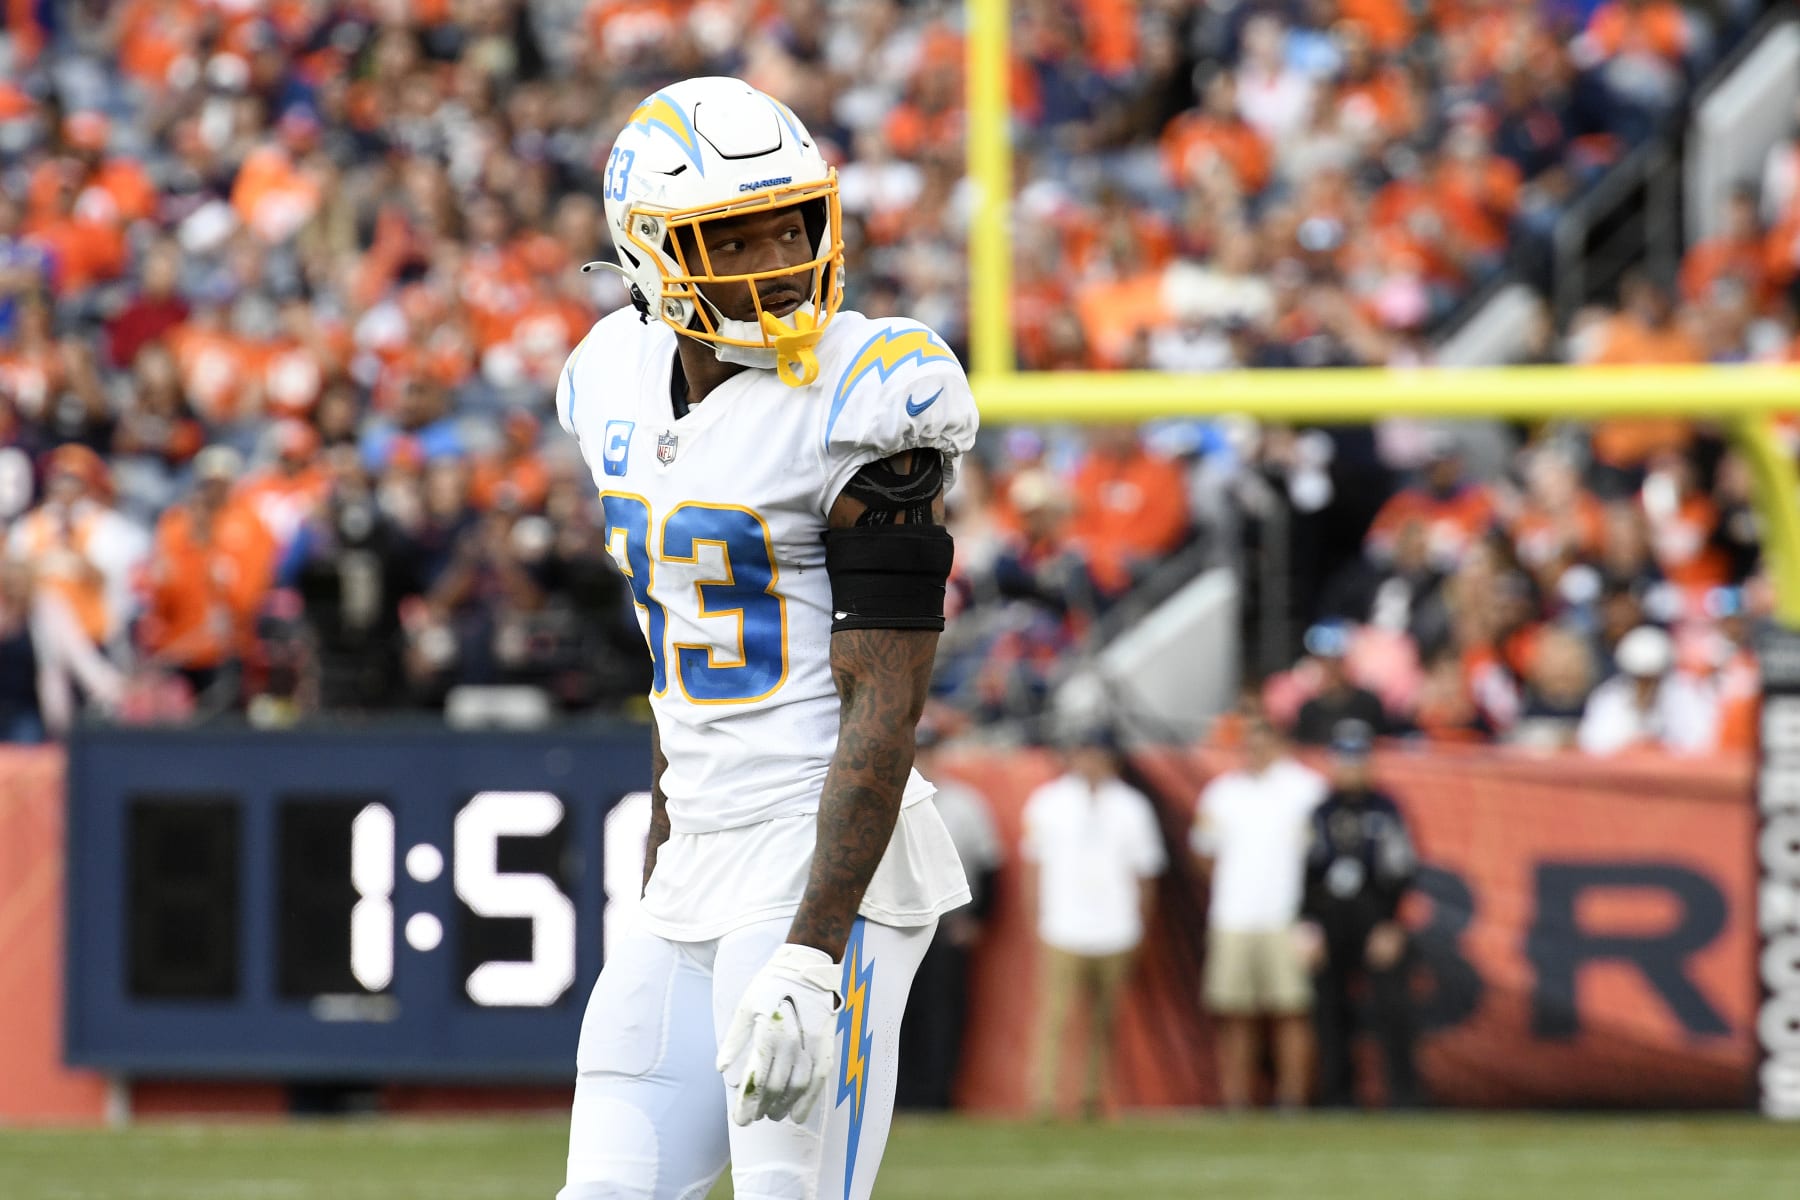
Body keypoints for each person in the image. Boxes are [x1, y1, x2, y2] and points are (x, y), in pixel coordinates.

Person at [554, 79, 978, 1200]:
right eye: (732, 235)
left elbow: (885, 697)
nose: (780, 257)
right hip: (697, 855)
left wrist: (807, 949)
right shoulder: (609, 377)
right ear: (647, 253)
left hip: (819, 848)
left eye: (792, 222)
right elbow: (673, 661)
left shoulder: (872, 389)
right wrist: (660, 861)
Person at [1021, 728, 1166, 1120]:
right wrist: (1037, 917)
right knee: (1055, 1017)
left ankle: (1092, 1096)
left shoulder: (1133, 807)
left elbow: (1146, 873)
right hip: (1062, 925)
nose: (1090, 762)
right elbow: (1033, 866)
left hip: (1117, 926)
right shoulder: (1048, 802)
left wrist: (1140, 924)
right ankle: (1046, 1099)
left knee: (1106, 1018)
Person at [1192, 709, 1327, 1110]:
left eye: (1262, 738)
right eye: (1248, 741)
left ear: (1281, 741)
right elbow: (1203, 852)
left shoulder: (1307, 788)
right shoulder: (1223, 792)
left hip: (1287, 916)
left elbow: (1319, 859)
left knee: (1292, 1010)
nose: (1254, 748)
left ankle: (1292, 1098)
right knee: (1234, 1011)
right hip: (1233, 915)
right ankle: (1236, 1099)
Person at [1301, 720, 1422, 1109]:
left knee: (1392, 1008)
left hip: (1375, 916)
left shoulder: (1386, 809)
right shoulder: (1320, 811)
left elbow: (1402, 870)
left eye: (1357, 759)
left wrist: (1390, 924)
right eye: (1344, 759)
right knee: (1329, 1010)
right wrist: (1308, 925)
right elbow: (1307, 872)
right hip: (1330, 917)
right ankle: (1338, 1095)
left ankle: (1402, 1095)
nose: (1350, 767)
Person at [895, 727, 1003, 1111]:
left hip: (946, 923)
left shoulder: (965, 804)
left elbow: (990, 867)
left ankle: (936, 1095)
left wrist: (976, 919)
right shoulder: (888, 798)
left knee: (942, 1012)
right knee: (897, 1012)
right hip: (898, 923)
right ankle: (897, 1096)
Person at [1577, 624, 1720, 755]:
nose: (1646, 685)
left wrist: (1661, 745)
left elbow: (1702, 741)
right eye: (1640, 678)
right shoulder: (1610, 697)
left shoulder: (1686, 694)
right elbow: (1593, 743)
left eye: (1652, 679)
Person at [1292, 622, 1387, 745]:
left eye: (1335, 662)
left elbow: (1384, 745)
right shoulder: (1309, 710)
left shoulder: (1368, 703)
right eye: (1323, 661)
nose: (1330, 669)